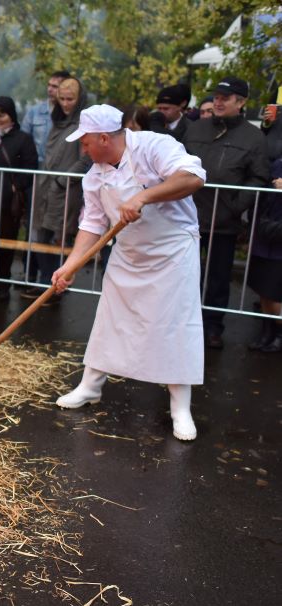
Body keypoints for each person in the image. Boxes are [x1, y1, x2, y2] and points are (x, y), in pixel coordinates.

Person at [52, 104, 206, 441]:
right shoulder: (95, 174)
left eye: (86, 142)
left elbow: (193, 176)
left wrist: (144, 196)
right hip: (129, 251)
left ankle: (180, 408)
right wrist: (71, 265)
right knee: (111, 318)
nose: (83, 148)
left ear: (104, 138)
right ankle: (90, 387)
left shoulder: (153, 146)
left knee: (174, 325)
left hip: (172, 251)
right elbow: (92, 223)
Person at [183, 76, 270, 349]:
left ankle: (212, 327)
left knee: (218, 278)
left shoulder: (254, 137)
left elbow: (258, 177)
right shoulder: (197, 129)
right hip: (188, 216)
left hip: (224, 219)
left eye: (225, 98)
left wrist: (234, 205)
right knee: (184, 273)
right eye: (216, 97)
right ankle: (184, 323)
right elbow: (178, 163)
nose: (218, 102)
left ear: (241, 102)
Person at [24, 77, 88, 301]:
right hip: (46, 184)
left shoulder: (84, 121)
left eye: (70, 99)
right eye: (62, 99)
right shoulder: (57, 118)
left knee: (59, 238)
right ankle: (44, 283)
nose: (65, 104)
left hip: (67, 188)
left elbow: (85, 158)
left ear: (79, 99)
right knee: (40, 234)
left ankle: (56, 286)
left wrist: (63, 180)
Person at [0, 96, 38, 300]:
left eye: (2, 114)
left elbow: (30, 168)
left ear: (11, 116)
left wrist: (15, 186)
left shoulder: (22, 139)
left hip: (6, 204)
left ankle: (2, 285)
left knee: (4, 245)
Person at [245, 158, 282, 352]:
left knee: (275, 295)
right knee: (263, 292)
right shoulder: (277, 162)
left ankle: (278, 333)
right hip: (265, 234)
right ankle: (267, 332)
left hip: (278, 242)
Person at [21, 70, 71, 166]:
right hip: (37, 167)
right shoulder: (34, 112)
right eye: (49, 85)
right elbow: (23, 141)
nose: (49, 89)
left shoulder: (72, 115)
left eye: (55, 86)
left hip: (61, 169)